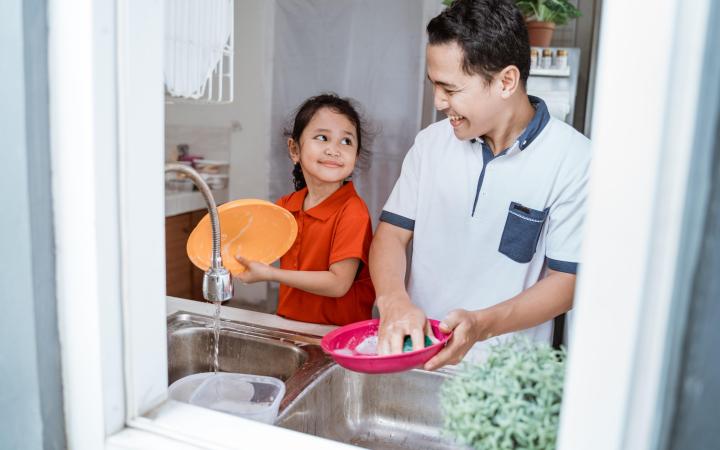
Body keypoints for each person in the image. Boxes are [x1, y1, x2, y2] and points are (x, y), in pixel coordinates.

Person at [371, 0, 591, 369]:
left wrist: (480, 325)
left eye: (451, 89)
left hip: (503, 377)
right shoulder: (431, 144)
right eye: (434, 86)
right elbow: (391, 235)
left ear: (506, 81)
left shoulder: (574, 159)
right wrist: (394, 301)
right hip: (417, 356)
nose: (439, 102)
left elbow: (565, 282)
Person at [235, 93, 375, 326]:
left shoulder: (353, 212)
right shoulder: (286, 207)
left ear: (356, 156)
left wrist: (270, 274)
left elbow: (338, 284)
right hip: (290, 327)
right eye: (322, 137)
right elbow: (252, 248)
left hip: (337, 338)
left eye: (346, 141)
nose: (334, 149)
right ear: (294, 150)